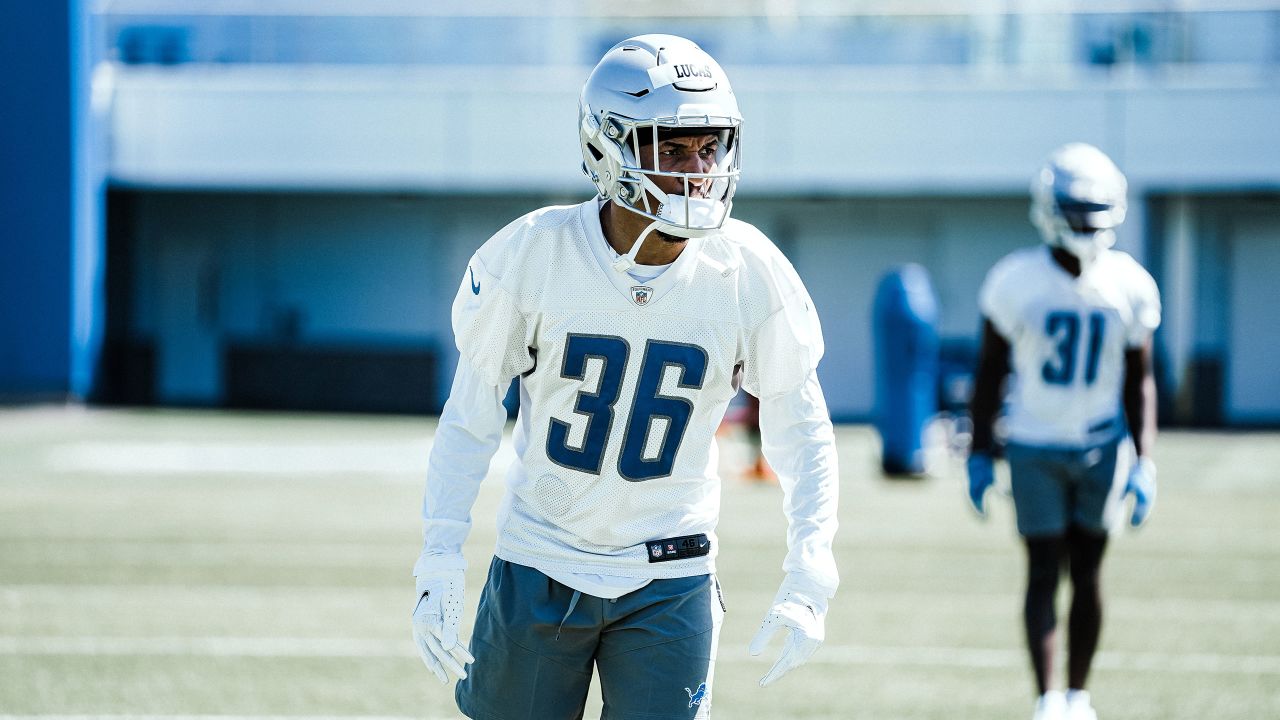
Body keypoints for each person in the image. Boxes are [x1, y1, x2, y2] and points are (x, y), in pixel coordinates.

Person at [411, 34, 840, 719]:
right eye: (670, 148)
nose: (697, 171)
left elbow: (802, 428)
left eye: (709, 147)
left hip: (671, 573)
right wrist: (438, 554)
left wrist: (811, 567)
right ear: (606, 147)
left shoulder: (747, 270)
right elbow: (470, 417)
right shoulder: (535, 253)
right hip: (541, 559)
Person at [966, 143, 1161, 720]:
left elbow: (1141, 381)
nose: (1084, 222)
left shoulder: (1130, 283)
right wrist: (979, 451)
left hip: (1101, 444)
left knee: (1091, 571)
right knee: (1044, 570)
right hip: (1033, 442)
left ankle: (1079, 696)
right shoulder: (1015, 279)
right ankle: (1049, 699)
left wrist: (1145, 458)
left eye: (1092, 208)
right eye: (1075, 208)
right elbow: (989, 373)